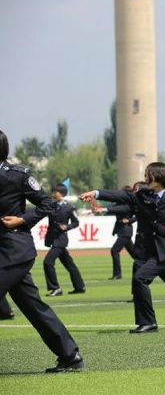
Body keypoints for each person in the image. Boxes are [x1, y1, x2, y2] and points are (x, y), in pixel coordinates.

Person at [80, 162, 165, 333]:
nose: (145, 178)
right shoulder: (142, 194)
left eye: (148, 174)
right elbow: (121, 196)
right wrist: (96, 193)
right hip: (145, 250)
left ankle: (148, 323)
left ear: (158, 177)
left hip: (163, 250)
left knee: (140, 279)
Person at [0, 129, 83, 373]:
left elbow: (47, 204)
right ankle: (70, 356)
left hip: (15, 248)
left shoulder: (18, 176)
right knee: (33, 307)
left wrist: (22, 219)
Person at [43, 183, 86, 296]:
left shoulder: (69, 207)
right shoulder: (51, 205)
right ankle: (79, 286)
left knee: (47, 262)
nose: (53, 194)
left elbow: (76, 222)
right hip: (53, 238)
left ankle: (55, 288)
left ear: (61, 194)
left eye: (55, 192)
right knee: (69, 264)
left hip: (61, 239)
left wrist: (67, 227)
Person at [94, 185, 137, 280]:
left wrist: (129, 221)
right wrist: (101, 210)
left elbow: (117, 209)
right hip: (123, 232)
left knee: (114, 251)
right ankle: (147, 267)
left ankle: (117, 274)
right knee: (135, 254)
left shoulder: (127, 205)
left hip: (125, 232)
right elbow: (113, 208)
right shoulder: (121, 204)